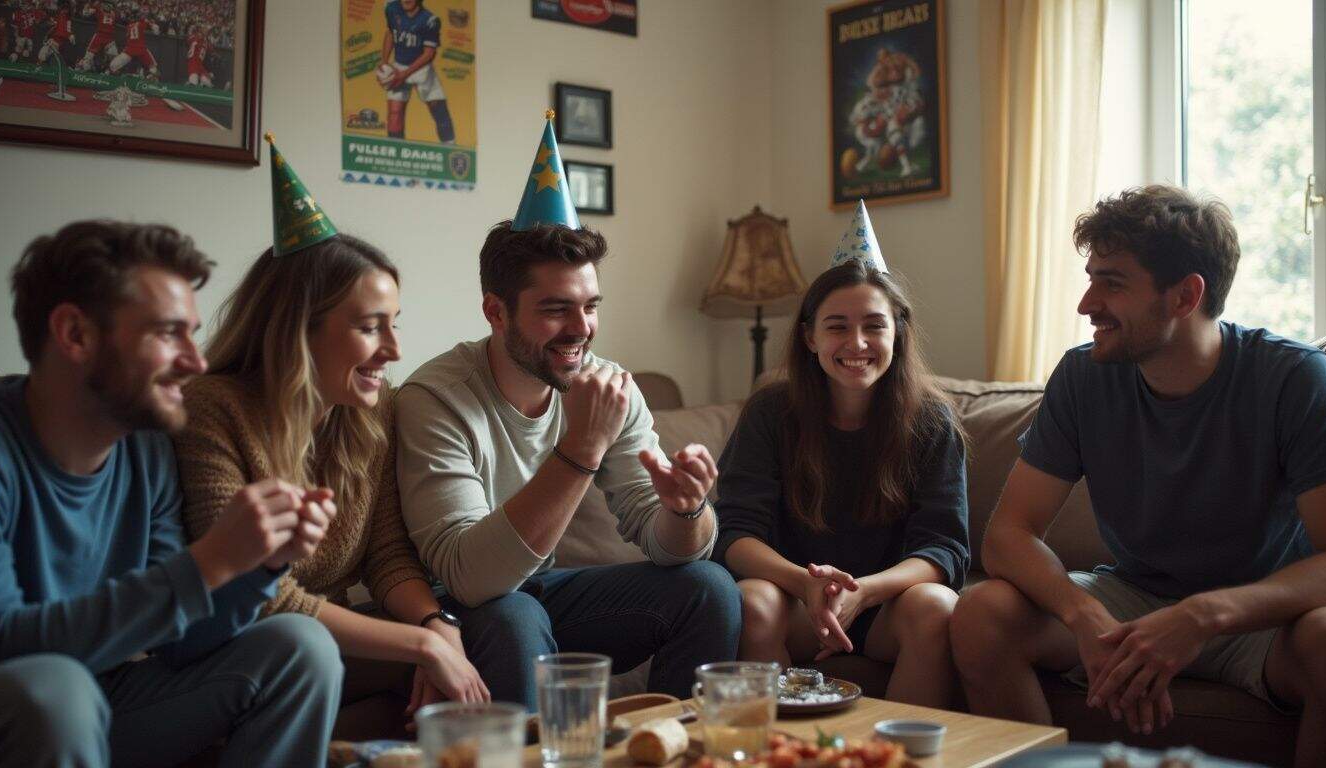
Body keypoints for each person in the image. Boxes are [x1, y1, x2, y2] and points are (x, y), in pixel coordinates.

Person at [949, 185, 1326, 767]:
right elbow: (1008, 536)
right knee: (981, 613)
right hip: (1132, 595)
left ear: (1186, 295)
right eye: (1090, 277)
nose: (1086, 303)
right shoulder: (1083, 377)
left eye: (1113, 283)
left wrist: (1202, 616)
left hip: (1260, 615)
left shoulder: (1295, 379)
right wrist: (1085, 617)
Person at [395, 113, 740, 710]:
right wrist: (580, 448)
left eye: (590, 306)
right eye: (556, 310)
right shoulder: (435, 398)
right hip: (458, 608)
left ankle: (672, 745)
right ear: (495, 312)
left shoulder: (612, 388)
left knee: (710, 587)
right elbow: (469, 577)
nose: (581, 330)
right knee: (511, 613)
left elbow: (670, 548)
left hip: (540, 592)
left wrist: (687, 512)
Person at [0, 220, 343, 767]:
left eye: (192, 332)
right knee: (57, 690)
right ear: (75, 334)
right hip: (21, 708)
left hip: (108, 698)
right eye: (167, 333)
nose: (196, 361)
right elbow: (1, 643)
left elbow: (182, 644)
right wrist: (207, 563)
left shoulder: (146, 447)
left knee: (301, 648)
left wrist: (255, 567)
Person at [174, 136, 488, 734]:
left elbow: (387, 552)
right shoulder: (211, 411)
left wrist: (433, 623)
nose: (394, 351)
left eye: (395, 326)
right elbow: (254, 592)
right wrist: (420, 649)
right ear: (298, 330)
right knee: (333, 647)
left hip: (325, 646)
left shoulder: (369, 411)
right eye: (372, 328)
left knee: (484, 632)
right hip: (237, 654)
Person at [714, 204, 969, 708]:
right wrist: (805, 584)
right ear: (810, 337)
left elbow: (944, 551)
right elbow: (736, 533)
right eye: (837, 327)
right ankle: (773, 752)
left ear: (898, 332)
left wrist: (867, 591)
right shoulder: (770, 411)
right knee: (751, 600)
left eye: (874, 326)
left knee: (937, 605)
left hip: (885, 607)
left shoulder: (933, 422)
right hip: (794, 601)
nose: (857, 343)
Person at [379, 0, 455, 143]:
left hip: (421, 69)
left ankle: (451, 150)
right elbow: (390, 32)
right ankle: (397, 151)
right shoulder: (391, 8)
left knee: (439, 111)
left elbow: (429, 54)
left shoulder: (430, 20)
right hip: (398, 66)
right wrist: (384, 62)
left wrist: (404, 75)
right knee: (394, 114)